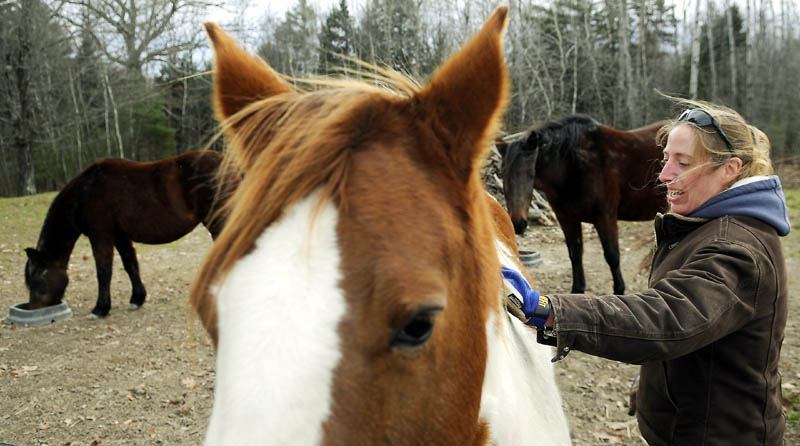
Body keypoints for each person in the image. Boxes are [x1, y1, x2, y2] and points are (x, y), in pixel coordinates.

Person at [506, 100, 790, 445]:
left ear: (730, 169)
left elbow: (669, 318)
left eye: (682, 163)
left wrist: (554, 311)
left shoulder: (737, 247)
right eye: (666, 158)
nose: (663, 174)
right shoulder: (705, 224)